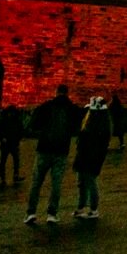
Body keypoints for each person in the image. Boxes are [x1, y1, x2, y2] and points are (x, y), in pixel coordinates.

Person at [25, 84, 81, 225]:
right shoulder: (72, 109)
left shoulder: (47, 106)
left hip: (44, 148)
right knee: (56, 183)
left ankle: (31, 213)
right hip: (61, 150)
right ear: (67, 93)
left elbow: (33, 125)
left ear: (56, 92)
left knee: (36, 182)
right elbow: (77, 127)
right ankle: (52, 213)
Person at [73, 96, 113, 219]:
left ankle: (93, 209)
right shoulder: (104, 124)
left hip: (89, 156)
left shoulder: (95, 125)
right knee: (83, 182)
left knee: (89, 182)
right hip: (88, 156)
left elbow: (86, 141)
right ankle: (82, 207)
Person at [0, 104, 24, 184]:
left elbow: (21, 130)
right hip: (6, 143)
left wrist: (18, 138)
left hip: (14, 143)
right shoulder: (4, 120)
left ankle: (15, 175)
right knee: (4, 161)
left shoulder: (16, 120)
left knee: (15, 160)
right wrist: (2, 137)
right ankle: (3, 177)